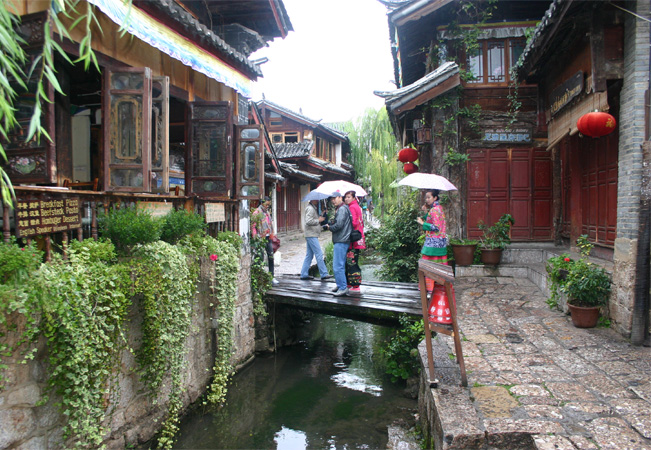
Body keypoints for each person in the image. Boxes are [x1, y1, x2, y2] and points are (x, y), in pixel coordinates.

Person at [415, 189, 448, 294]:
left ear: (435, 198)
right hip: (440, 242)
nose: (427, 199)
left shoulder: (434, 210)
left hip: (433, 243)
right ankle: (440, 285)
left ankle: (428, 288)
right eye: (426, 197)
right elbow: (432, 219)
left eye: (429, 197)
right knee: (440, 263)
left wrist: (422, 223)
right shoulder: (439, 208)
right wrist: (426, 212)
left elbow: (436, 227)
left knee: (428, 263)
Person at [324, 192, 352, 297]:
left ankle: (342, 287)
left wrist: (329, 227)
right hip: (343, 239)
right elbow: (340, 222)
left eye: (335, 198)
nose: (333, 200)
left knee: (337, 266)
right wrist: (332, 222)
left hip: (341, 240)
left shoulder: (342, 209)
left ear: (340, 197)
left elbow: (339, 225)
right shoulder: (343, 208)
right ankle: (340, 284)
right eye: (331, 199)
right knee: (340, 265)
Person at [300, 199, 333, 281]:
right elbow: (308, 221)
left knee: (309, 255)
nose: (318, 200)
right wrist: (318, 220)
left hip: (311, 234)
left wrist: (322, 215)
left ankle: (304, 274)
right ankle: (324, 274)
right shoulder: (310, 208)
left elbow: (312, 218)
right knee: (319, 254)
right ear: (313, 199)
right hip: (311, 235)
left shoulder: (312, 208)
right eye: (316, 199)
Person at [252, 196, 279, 286]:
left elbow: (270, 224)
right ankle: (260, 278)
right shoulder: (257, 213)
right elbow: (253, 226)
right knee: (260, 257)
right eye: (266, 204)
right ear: (262, 203)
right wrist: (255, 237)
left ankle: (271, 277)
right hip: (260, 238)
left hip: (268, 238)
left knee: (271, 256)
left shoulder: (267, 213)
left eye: (269, 204)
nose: (268, 206)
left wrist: (272, 233)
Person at [344, 191, 365, 295]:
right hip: (358, 238)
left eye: (348, 197)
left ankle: (355, 285)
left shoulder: (352, 207)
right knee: (352, 260)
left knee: (351, 261)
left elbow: (354, 222)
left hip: (353, 239)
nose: (346, 199)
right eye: (345, 197)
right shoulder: (356, 206)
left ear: (353, 198)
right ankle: (349, 282)